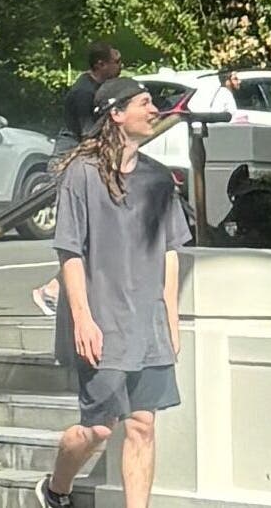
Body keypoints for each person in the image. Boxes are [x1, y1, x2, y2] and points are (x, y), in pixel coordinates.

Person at [40, 76, 189, 508]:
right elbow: (70, 252)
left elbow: (171, 253)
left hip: (149, 323)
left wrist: (171, 322)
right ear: (116, 114)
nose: (153, 109)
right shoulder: (80, 174)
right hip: (102, 322)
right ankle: (56, 490)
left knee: (142, 425)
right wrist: (82, 318)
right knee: (99, 429)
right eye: (144, 103)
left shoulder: (159, 180)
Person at [60, 44, 122, 147]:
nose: (120, 65)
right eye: (117, 62)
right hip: (73, 151)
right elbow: (88, 135)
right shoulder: (84, 92)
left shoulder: (100, 86)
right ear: (101, 64)